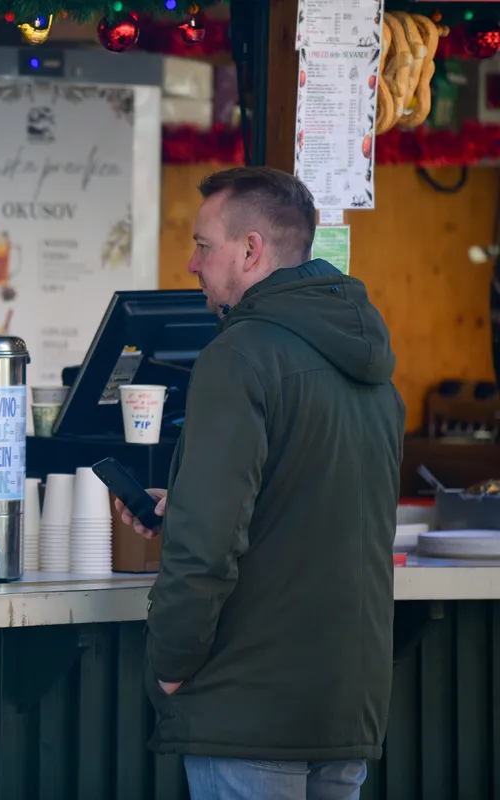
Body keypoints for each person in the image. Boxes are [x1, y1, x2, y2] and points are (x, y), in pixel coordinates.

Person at [114, 167, 404, 800]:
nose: (191, 263)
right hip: (346, 706)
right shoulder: (373, 368)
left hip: (247, 706)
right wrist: (186, 502)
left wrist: (169, 665)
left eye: (203, 245)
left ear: (250, 250)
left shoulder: (239, 355)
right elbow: (315, 506)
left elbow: (207, 544)